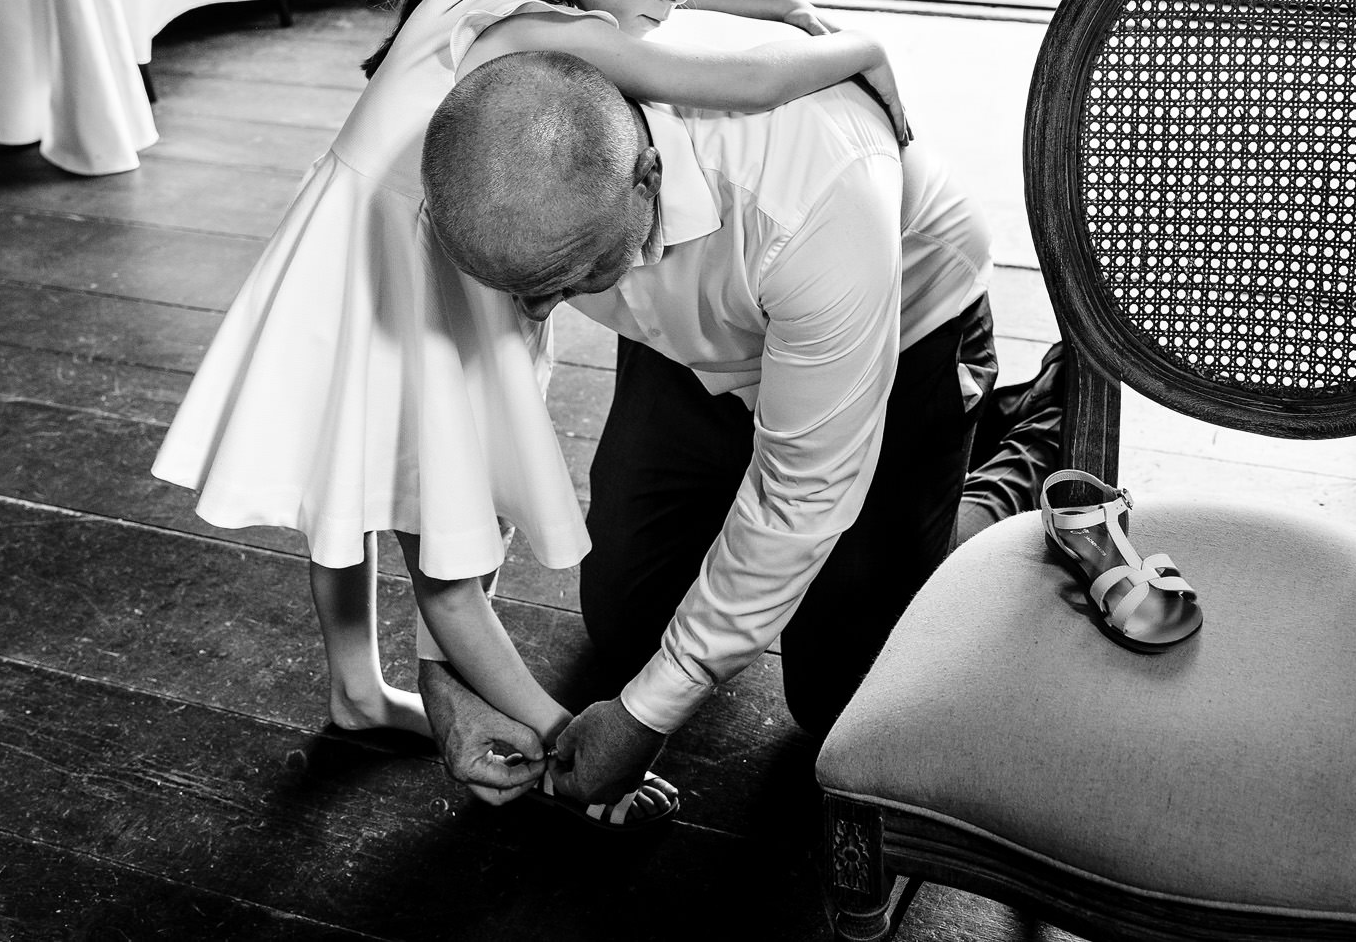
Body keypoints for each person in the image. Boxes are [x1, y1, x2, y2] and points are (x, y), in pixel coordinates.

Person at [150, 0, 912, 825]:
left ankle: (353, 682)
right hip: (419, 286)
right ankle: (504, 711)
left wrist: (760, 3)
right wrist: (857, 48)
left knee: (348, 484)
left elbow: (630, 1)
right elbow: (707, 78)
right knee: (443, 522)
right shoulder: (532, 33)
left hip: (335, 258)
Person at [418, 47, 1062, 811]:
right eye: (519, 291)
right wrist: (448, 667)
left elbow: (802, 494)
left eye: (567, 280)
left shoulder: (818, 192)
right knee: (627, 628)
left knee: (842, 697)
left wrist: (646, 716)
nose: (535, 313)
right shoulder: (480, 175)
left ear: (647, 179)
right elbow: (463, 435)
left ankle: (1037, 432)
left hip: (903, 328)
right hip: (691, 339)